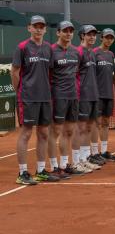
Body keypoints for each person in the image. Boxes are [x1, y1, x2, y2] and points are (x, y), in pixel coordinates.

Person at [12, 16, 55, 184]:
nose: (38, 29)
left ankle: (41, 170)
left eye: (41, 27)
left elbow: (49, 72)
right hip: (28, 97)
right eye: (35, 26)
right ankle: (22, 173)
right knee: (26, 133)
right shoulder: (22, 48)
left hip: (45, 97)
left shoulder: (48, 49)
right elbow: (15, 72)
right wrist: (20, 91)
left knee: (44, 133)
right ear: (29, 28)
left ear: (45, 29)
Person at [48, 21, 87, 177]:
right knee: (55, 131)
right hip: (58, 96)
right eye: (65, 31)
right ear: (58, 33)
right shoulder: (51, 51)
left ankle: (64, 165)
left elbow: (77, 73)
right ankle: (54, 166)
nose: (68, 33)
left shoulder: (76, 52)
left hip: (73, 96)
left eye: (71, 31)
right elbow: (47, 74)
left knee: (69, 131)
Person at [76, 25, 104, 170]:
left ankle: (85, 158)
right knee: (80, 128)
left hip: (94, 95)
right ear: (82, 36)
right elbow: (74, 75)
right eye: (89, 34)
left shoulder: (92, 53)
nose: (92, 37)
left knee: (88, 127)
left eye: (94, 34)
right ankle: (77, 160)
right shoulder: (78, 52)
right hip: (83, 96)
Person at [92, 28, 115, 162]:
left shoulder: (111, 55)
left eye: (111, 38)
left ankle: (103, 151)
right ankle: (94, 152)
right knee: (96, 123)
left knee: (106, 122)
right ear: (101, 38)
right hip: (97, 94)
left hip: (109, 93)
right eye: (106, 37)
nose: (109, 40)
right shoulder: (94, 53)